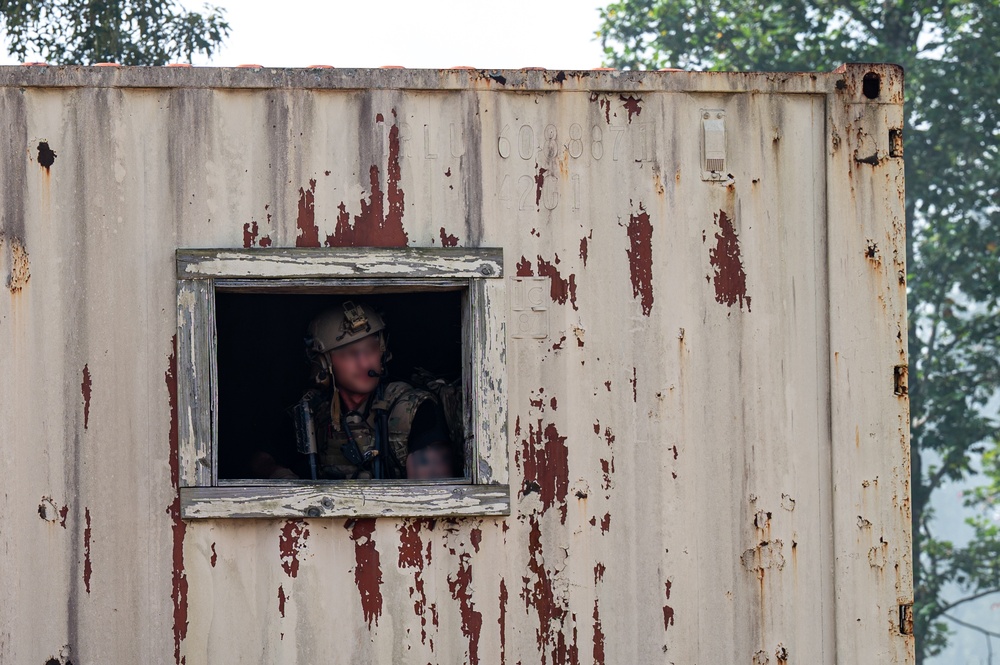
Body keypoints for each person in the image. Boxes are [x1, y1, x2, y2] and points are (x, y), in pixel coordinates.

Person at [275, 300, 455, 480]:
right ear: (325, 364)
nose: (365, 363)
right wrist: (280, 474)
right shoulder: (314, 412)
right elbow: (262, 458)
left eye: (371, 349)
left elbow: (433, 489)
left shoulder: (411, 409)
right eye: (349, 354)